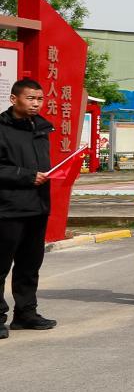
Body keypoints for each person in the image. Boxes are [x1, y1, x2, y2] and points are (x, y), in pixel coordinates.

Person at [0, 78, 58, 338]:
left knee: (29, 265)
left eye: (40, 99)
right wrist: (26, 176)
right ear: (14, 99)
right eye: (30, 98)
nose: (36, 103)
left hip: (37, 206)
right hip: (8, 208)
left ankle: (25, 313)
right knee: (1, 265)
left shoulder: (41, 128)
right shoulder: (2, 128)